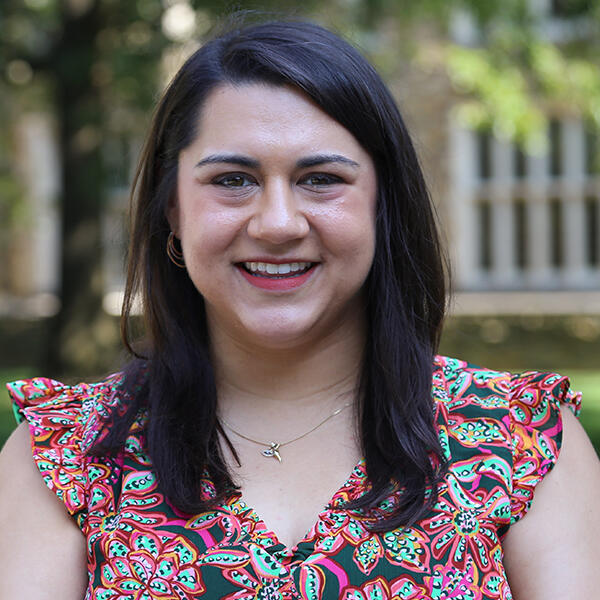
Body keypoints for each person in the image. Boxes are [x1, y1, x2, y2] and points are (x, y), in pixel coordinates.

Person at [1, 18, 599, 600]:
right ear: (173, 209)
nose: (279, 224)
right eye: (233, 180)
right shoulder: (65, 458)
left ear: (381, 205)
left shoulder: (520, 445)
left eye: (320, 178)